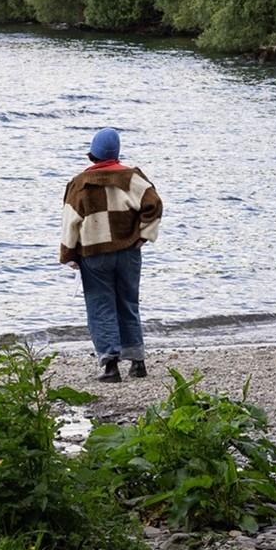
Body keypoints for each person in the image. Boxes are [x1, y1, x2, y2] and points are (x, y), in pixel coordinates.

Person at [59, 126, 162, 382]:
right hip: (128, 251)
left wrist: (68, 255)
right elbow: (154, 205)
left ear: (92, 155)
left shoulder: (79, 183)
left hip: (94, 254)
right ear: (117, 154)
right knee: (128, 302)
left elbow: (71, 222)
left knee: (100, 305)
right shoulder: (132, 178)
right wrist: (143, 235)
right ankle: (138, 362)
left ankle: (110, 366)